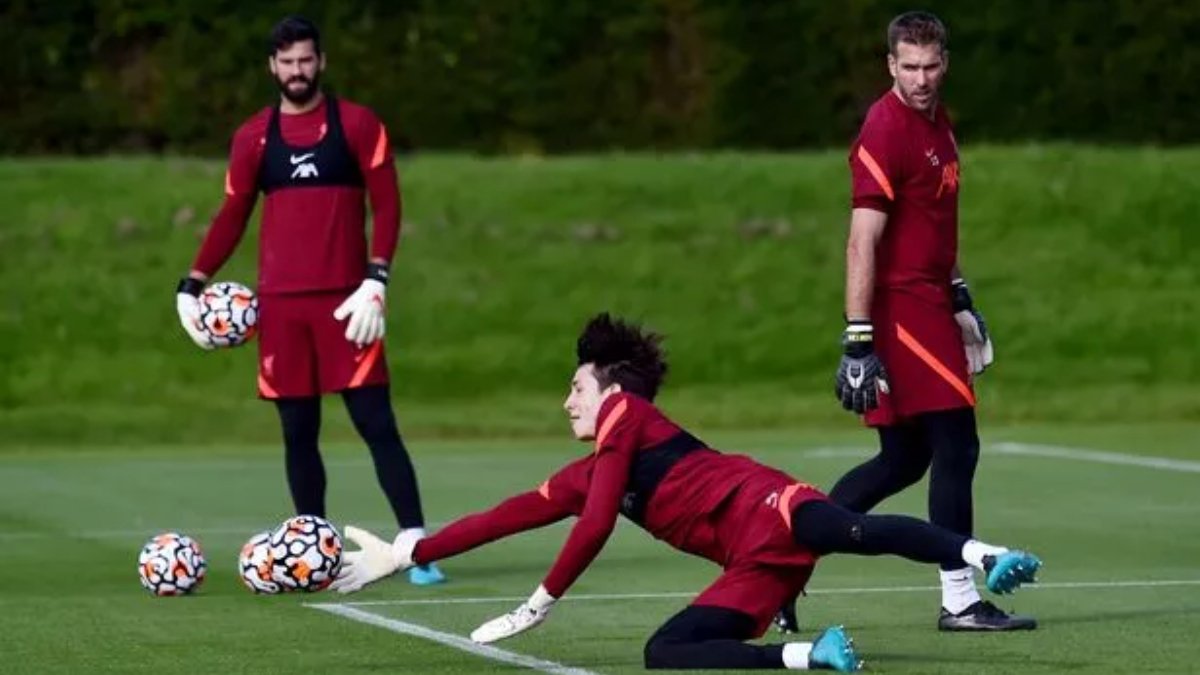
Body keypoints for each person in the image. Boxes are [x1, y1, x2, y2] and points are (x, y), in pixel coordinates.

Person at [330, 314, 1042, 672]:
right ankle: (806, 656)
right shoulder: (595, 463)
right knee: (666, 649)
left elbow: (602, 518)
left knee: (856, 528)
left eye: (575, 385)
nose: (565, 400)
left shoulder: (626, 416)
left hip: (769, 505)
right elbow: (507, 515)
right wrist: (409, 550)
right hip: (752, 564)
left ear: (608, 386)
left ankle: (985, 554)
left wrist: (536, 603)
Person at [173, 15, 443, 586]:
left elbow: (388, 207)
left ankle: (417, 545)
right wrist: (192, 282)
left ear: (321, 61)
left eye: (306, 59)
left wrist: (377, 280)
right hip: (281, 312)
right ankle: (311, 553)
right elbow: (232, 215)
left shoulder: (359, 125)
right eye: (287, 61)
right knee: (298, 431)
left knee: (376, 422)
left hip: (350, 308)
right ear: (272, 66)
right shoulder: (254, 138)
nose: (298, 71)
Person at [826, 10, 1027, 631]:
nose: (920, 77)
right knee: (956, 443)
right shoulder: (886, 129)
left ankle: (780, 555)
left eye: (931, 65)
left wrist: (960, 294)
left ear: (946, 62)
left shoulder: (937, 121)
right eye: (908, 66)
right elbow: (863, 241)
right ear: (890, 65)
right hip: (903, 309)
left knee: (903, 459)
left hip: (933, 300)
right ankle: (961, 600)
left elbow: (932, 224)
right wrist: (858, 338)